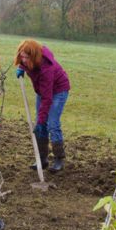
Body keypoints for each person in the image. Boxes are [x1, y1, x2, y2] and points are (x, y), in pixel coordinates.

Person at [15, 39, 70, 172]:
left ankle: (59, 159)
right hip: (42, 90)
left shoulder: (46, 69)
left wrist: (41, 121)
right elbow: (24, 62)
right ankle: (42, 158)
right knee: (40, 122)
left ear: (33, 57)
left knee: (52, 123)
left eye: (26, 58)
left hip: (58, 91)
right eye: (21, 56)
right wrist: (21, 68)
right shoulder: (28, 61)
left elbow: (47, 98)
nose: (23, 60)